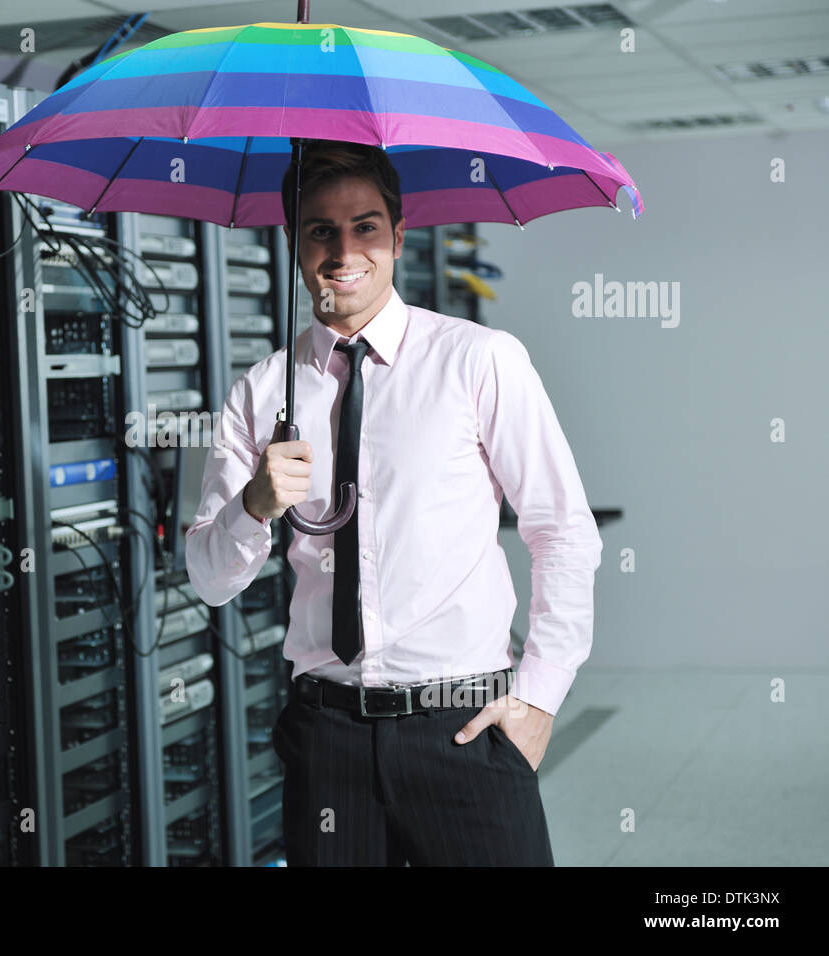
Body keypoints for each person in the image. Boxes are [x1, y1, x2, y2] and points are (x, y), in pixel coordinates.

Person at [184, 139, 603, 866]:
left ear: (398, 236)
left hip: (462, 730)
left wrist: (538, 698)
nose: (344, 250)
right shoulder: (261, 392)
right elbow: (210, 581)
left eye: (366, 226)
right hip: (327, 738)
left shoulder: (478, 359)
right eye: (320, 229)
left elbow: (562, 531)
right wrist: (252, 504)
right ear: (292, 240)